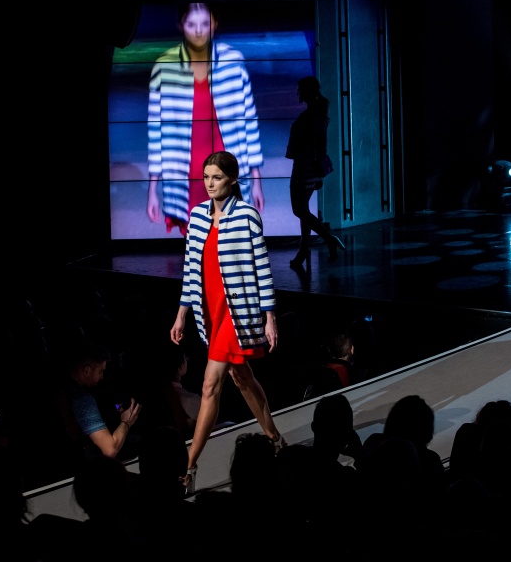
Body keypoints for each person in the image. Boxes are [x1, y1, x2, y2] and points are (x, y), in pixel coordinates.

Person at [170, 150, 285, 493]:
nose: (210, 183)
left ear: (232, 179)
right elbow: (191, 270)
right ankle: (275, 439)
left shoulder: (247, 215)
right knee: (242, 378)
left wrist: (270, 317)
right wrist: (181, 313)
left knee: (209, 386)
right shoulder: (197, 216)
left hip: (237, 314)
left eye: (217, 177)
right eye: (206, 177)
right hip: (210, 312)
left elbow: (262, 267)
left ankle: (188, 465)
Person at [147, 2, 266, 236]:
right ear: (181, 25)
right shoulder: (165, 65)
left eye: (205, 23)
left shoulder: (233, 61)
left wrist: (257, 180)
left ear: (215, 24)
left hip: (226, 164)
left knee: (229, 235)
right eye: (191, 24)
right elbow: (155, 130)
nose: (199, 31)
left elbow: (249, 121)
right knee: (196, 239)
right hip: (184, 168)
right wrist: (152, 190)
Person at [285, 76, 344, 268]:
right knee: (303, 210)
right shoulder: (319, 114)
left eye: (300, 89)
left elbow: (304, 146)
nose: (298, 93)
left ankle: (328, 239)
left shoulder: (310, 116)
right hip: (312, 167)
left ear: (306, 91)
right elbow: (321, 145)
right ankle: (305, 249)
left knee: (299, 210)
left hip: (303, 167)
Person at [55, 338, 142, 463]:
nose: (102, 377)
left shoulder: (62, 389)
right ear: (87, 370)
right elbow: (110, 449)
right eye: (100, 371)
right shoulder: (82, 400)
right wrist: (126, 422)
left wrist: (116, 411)